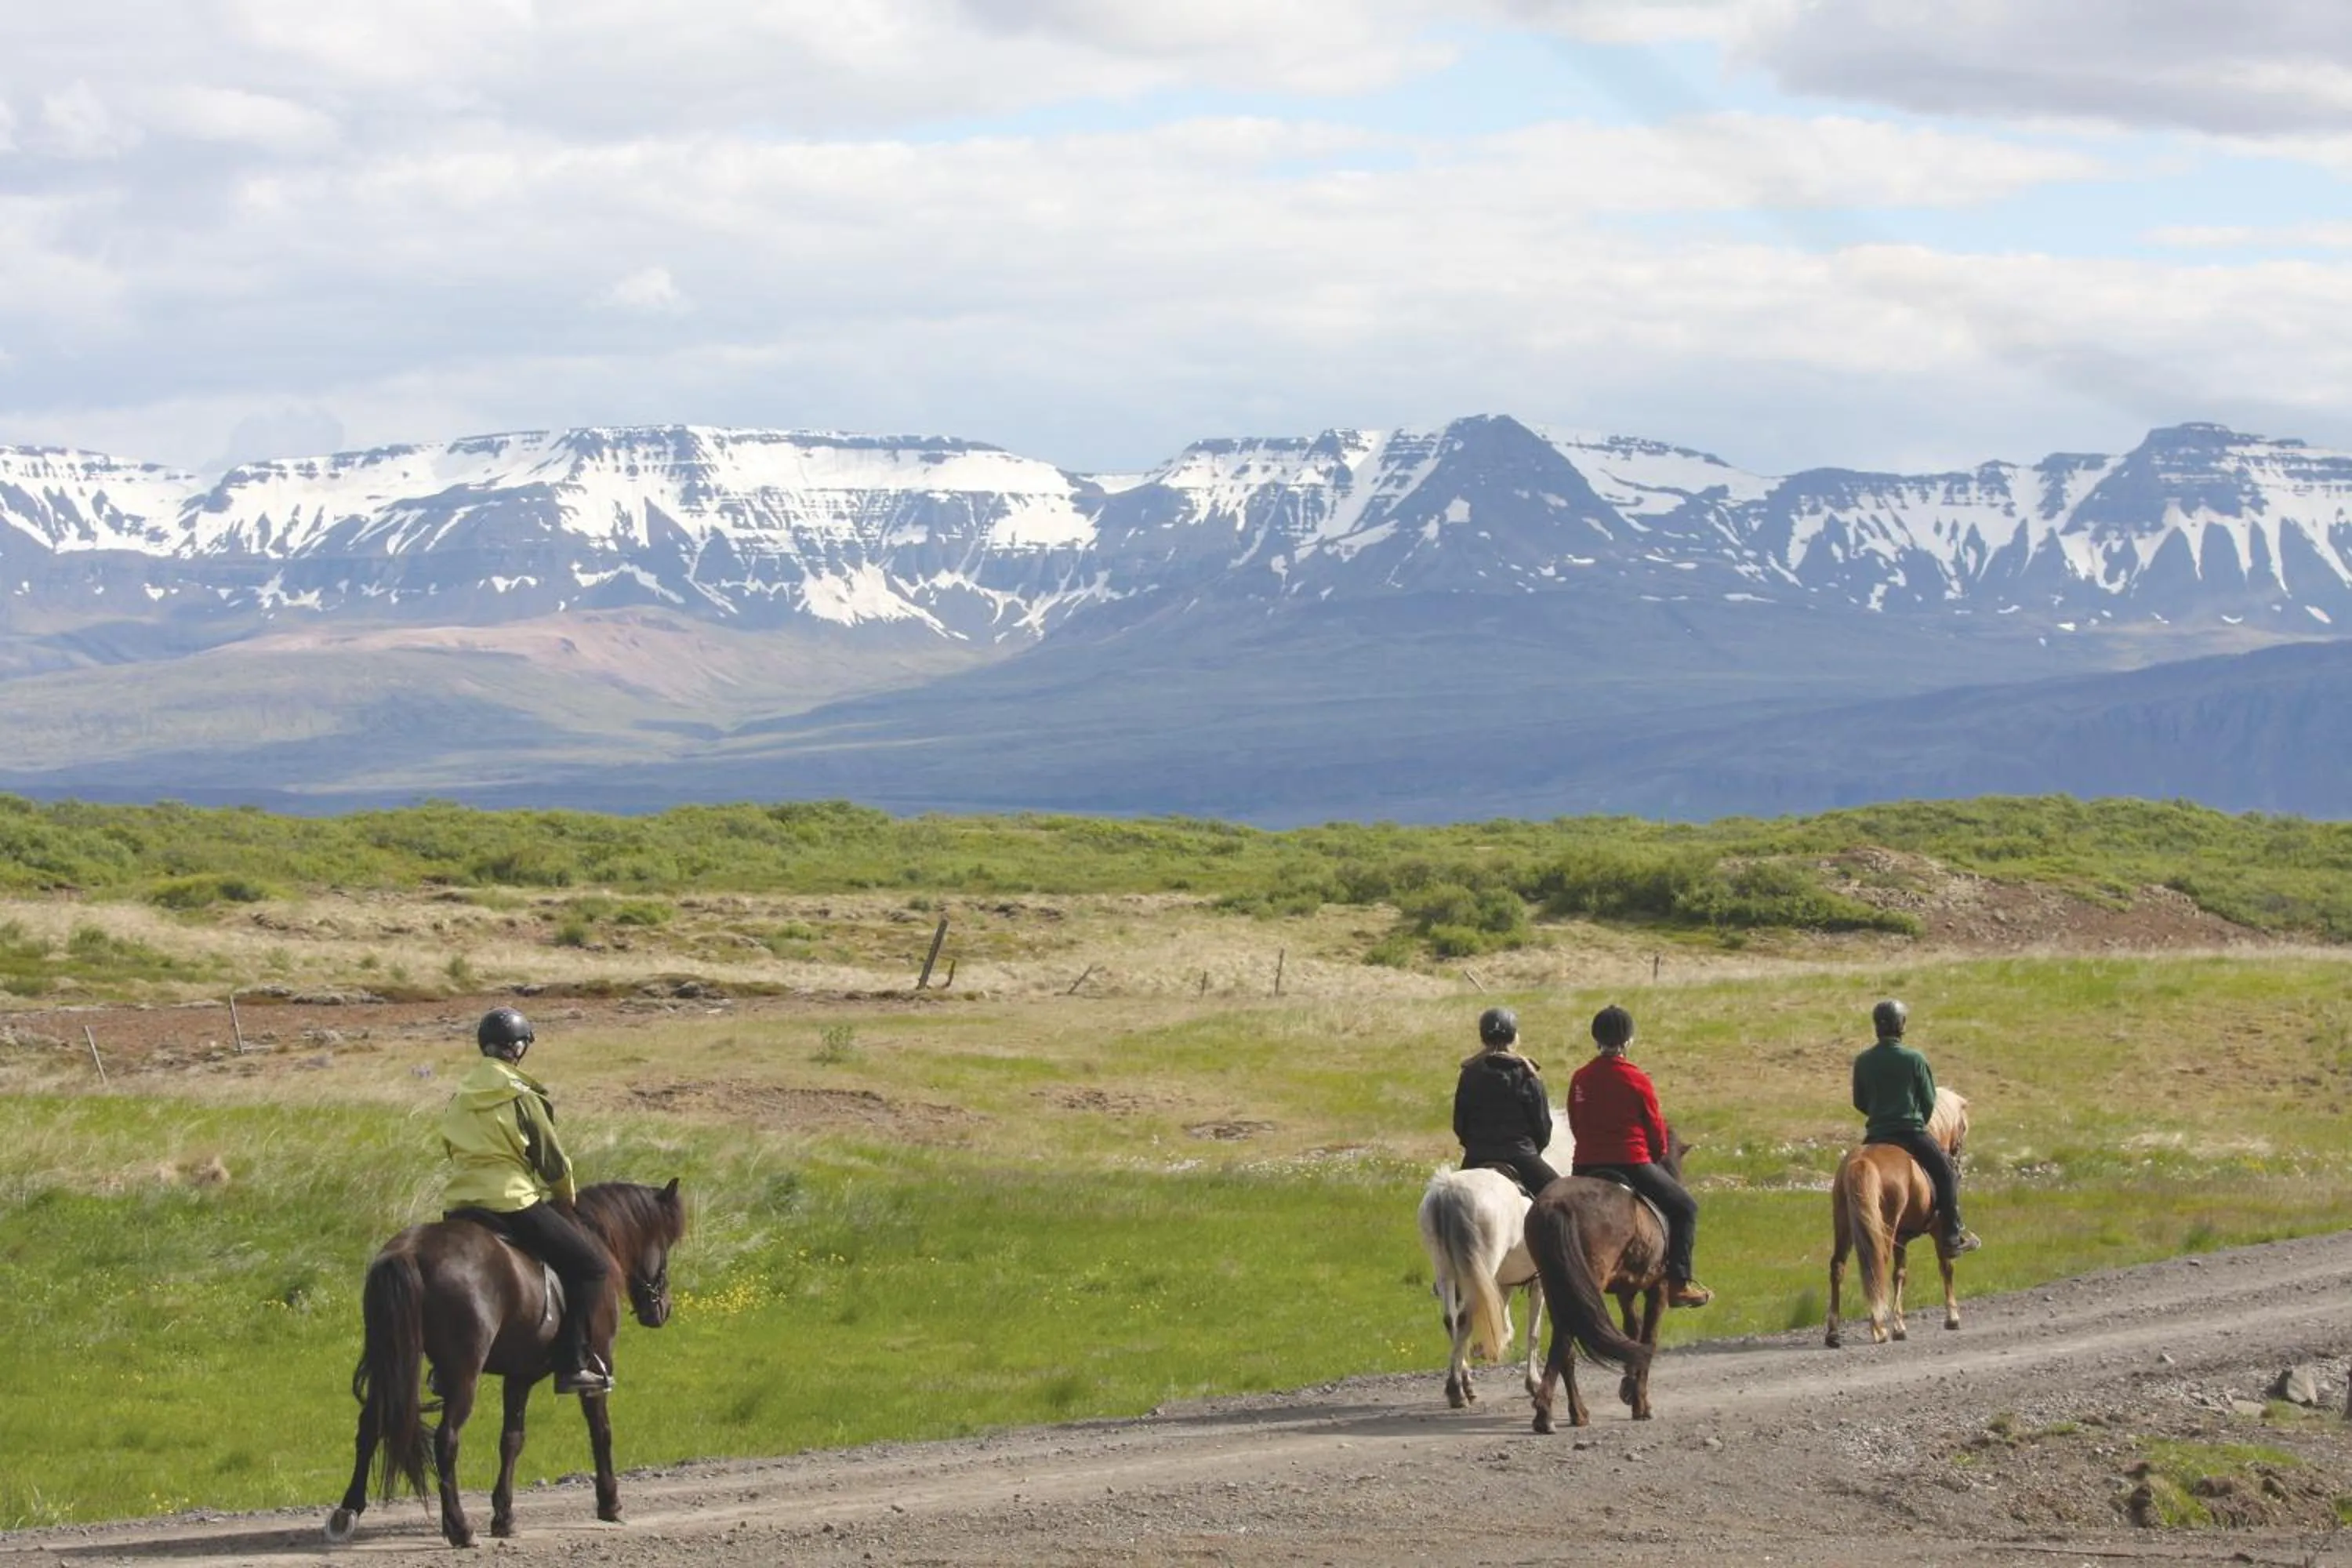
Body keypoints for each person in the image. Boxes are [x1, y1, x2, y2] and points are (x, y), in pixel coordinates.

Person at [439, 1007, 615, 1395]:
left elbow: (450, 1148)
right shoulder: (521, 1095)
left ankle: (441, 1367)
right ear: (517, 1048)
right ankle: (572, 1365)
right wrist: (565, 1196)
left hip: (460, 1204)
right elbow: (551, 1160)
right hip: (511, 1201)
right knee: (591, 1268)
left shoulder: (459, 1096)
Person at [1567, 1004, 1712, 1308]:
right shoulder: (1637, 1079)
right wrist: (1657, 1155)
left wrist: (1590, 1150)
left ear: (1596, 1039)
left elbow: (1576, 1122)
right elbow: (1656, 1129)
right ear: (1628, 1041)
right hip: (1630, 1162)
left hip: (1585, 1165)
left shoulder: (1580, 1078)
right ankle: (1678, 1284)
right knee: (1686, 1208)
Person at [1852, 998, 1981, 1255]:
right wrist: (1916, 1120)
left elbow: (1859, 1101)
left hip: (1876, 1135)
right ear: (1901, 1025)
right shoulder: (1915, 1059)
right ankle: (1951, 1237)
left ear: (1877, 1026)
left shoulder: (1863, 1061)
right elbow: (1928, 1101)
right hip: (1911, 1133)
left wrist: (1880, 1116)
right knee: (1947, 1173)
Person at [1452, 1006, 1560, 1198]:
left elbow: (1460, 1124)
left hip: (1477, 1156)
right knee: (1562, 1196)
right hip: (1522, 1155)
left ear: (1483, 1037)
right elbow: (1542, 1125)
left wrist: (1477, 1146)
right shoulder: (1528, 1073)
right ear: (1514, 1037)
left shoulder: (1469, 1073)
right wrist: (1533, 1151)